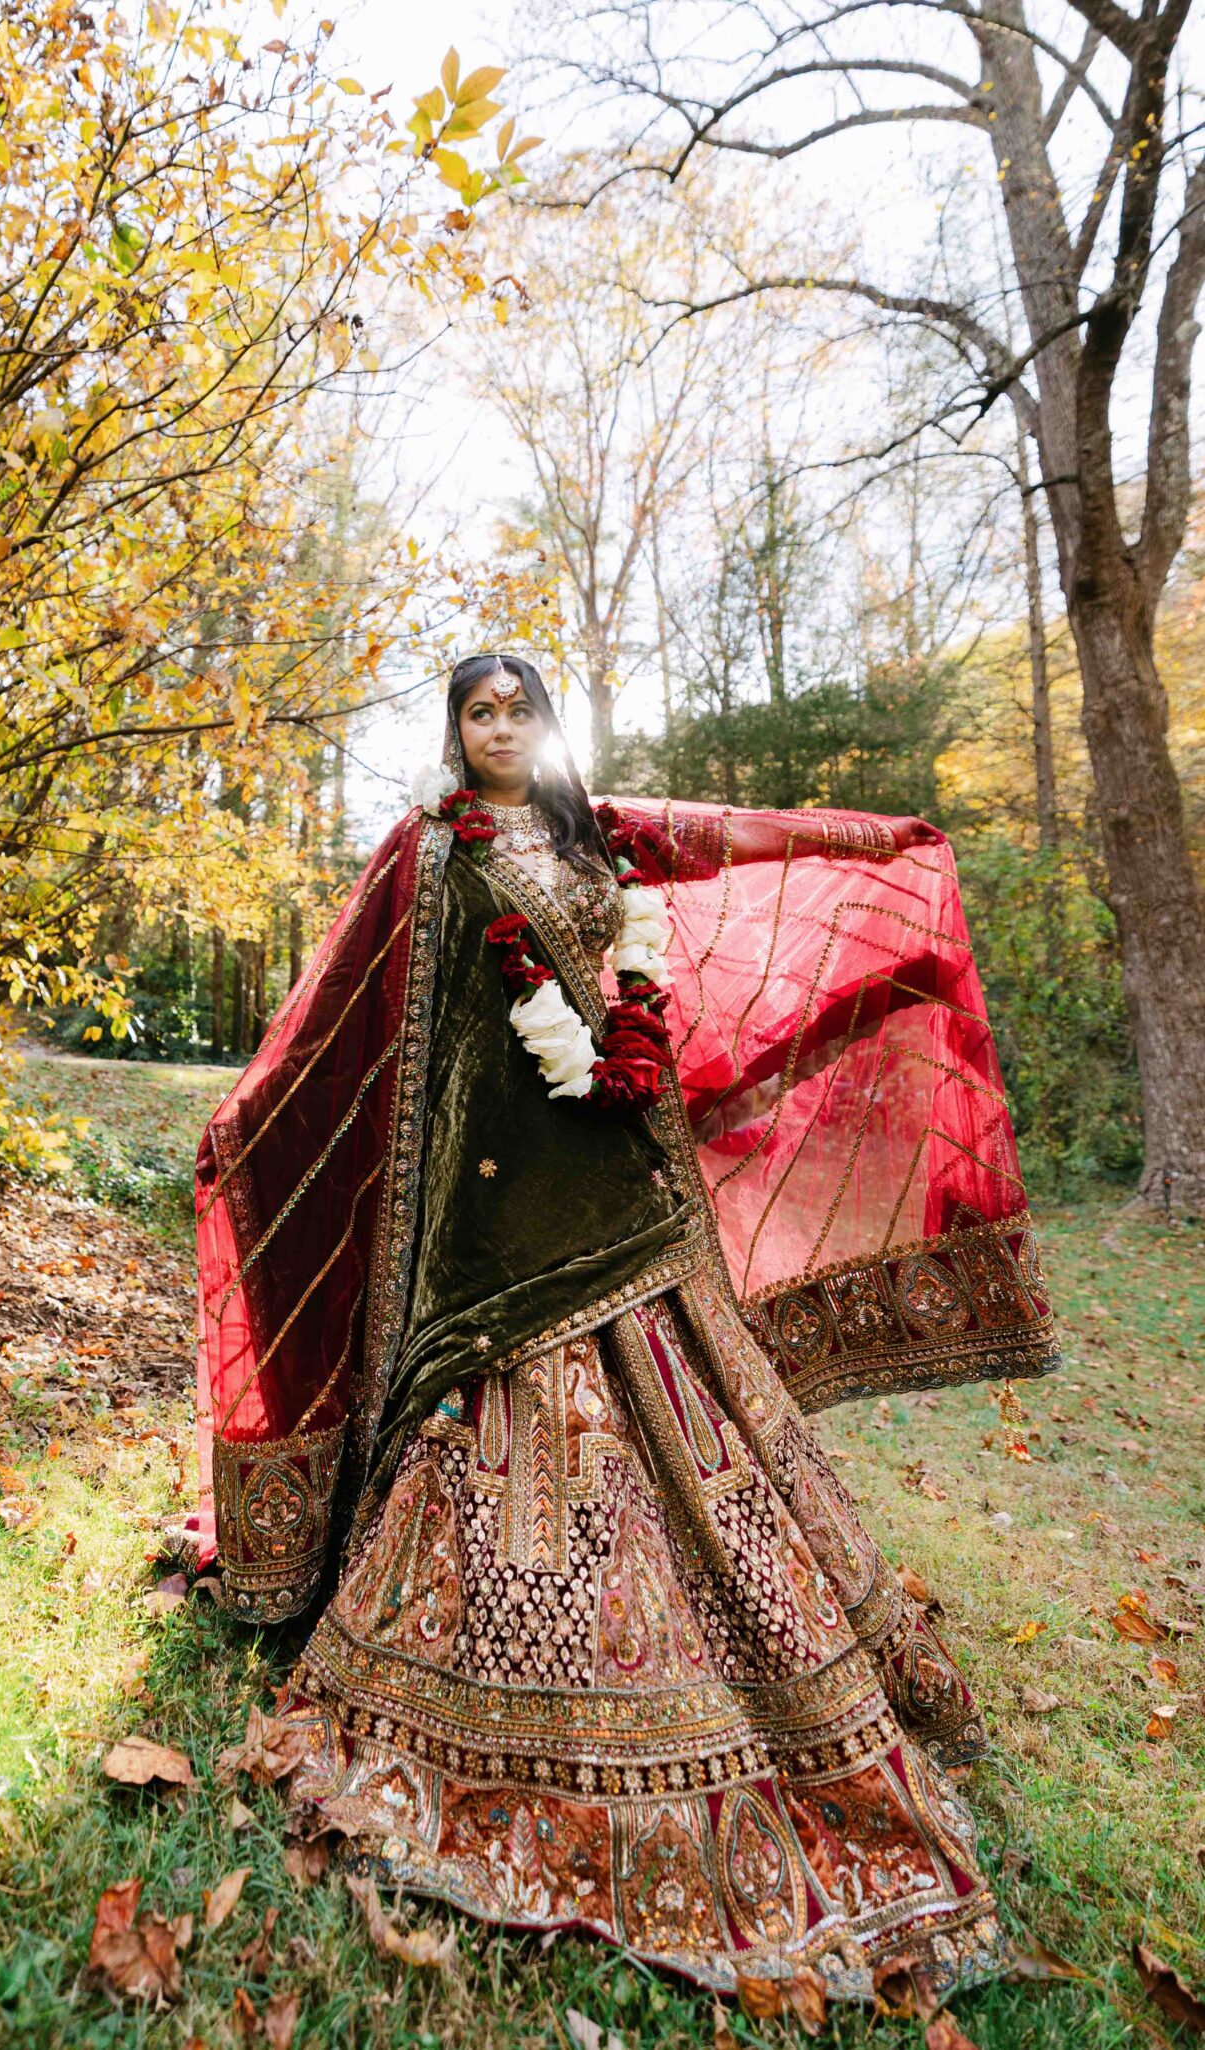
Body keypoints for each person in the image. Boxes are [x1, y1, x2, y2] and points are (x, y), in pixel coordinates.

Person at [187, 651, 1058, 2006]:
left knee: (696, 1424)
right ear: (453, 731)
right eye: (476, 709)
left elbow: (729, 843)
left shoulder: (599, 834)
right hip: (502, 1208)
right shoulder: (426, 853)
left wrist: (872, 836)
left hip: (624, 1179)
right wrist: (257, 1118)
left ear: (545, 723)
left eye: (517, 705)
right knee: (507, 1429)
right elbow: (343, 1010)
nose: (497, 726)